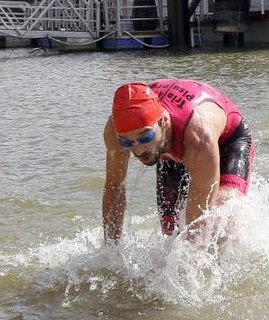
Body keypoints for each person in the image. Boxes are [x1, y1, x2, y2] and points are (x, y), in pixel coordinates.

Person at [103, 80, 254, 242]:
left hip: (228, 140)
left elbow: (199, 221)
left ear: (163, 122)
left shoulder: (198, 138)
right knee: (171, 233)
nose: (138, 151)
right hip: (168, 143)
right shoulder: (117, 132)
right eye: (127, 143)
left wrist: (193, 261)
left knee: (220, 219)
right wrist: (110, 251)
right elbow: (114, 186)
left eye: (145, 137)